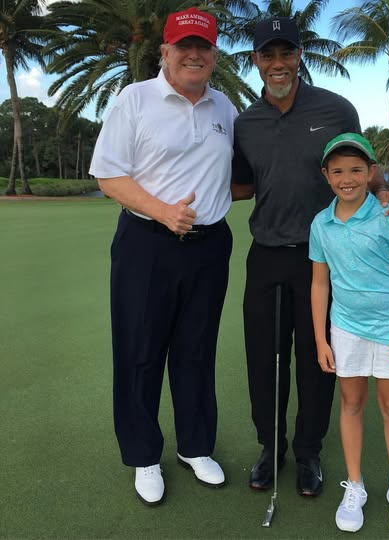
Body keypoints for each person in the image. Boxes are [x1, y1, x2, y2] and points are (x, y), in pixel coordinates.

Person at [231, 16, 389, 498]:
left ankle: (309, 451)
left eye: (286, 53)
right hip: (266, 255)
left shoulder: (335, 108)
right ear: (256, 61)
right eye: (268, 55)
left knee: (317, 359)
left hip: (325, 260)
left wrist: (385, 191)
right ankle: (271, 449)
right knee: (264, 360)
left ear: (299, 56)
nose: (278, 63)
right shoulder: (246, 123)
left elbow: (361, 166)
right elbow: (240, 185)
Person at [89, 7, 237, 506]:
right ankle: (144, 455)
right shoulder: (135, 99)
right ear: (165, 51)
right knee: (140, 351)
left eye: (203, 47)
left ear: (213, 55)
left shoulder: (224, 109)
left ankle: (195, 447)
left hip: (209, 247)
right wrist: (164, 211)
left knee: (196, 350)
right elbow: (109, 175)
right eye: (184, 46)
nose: (194, 55)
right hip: (146, 244)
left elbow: (240, 176)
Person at [310, 133, 389, 535]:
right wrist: (321, 339)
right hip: (346, 328)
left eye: (356, 170)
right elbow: (319, 283)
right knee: (351, 404)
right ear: (326, 175)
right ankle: (354, 485)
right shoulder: (321, 224)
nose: (347, 179)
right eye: (338, 171)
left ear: (371, 172)